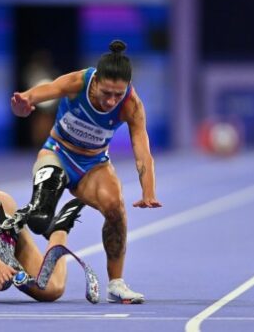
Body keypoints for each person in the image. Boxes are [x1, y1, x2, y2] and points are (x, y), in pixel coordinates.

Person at [11, 40, 162, 304]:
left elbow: (142, 150)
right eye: (106, 93)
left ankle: (116, 284)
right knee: (38, 220)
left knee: (116, 208)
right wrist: (24, 101)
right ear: (95, 82)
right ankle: (49, 222)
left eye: (118, 94)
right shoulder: (78, 81)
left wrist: (148, 191)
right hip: (57, 154)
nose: (111, 101)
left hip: (94, 164)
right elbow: (46, 90)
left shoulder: (131, 105)